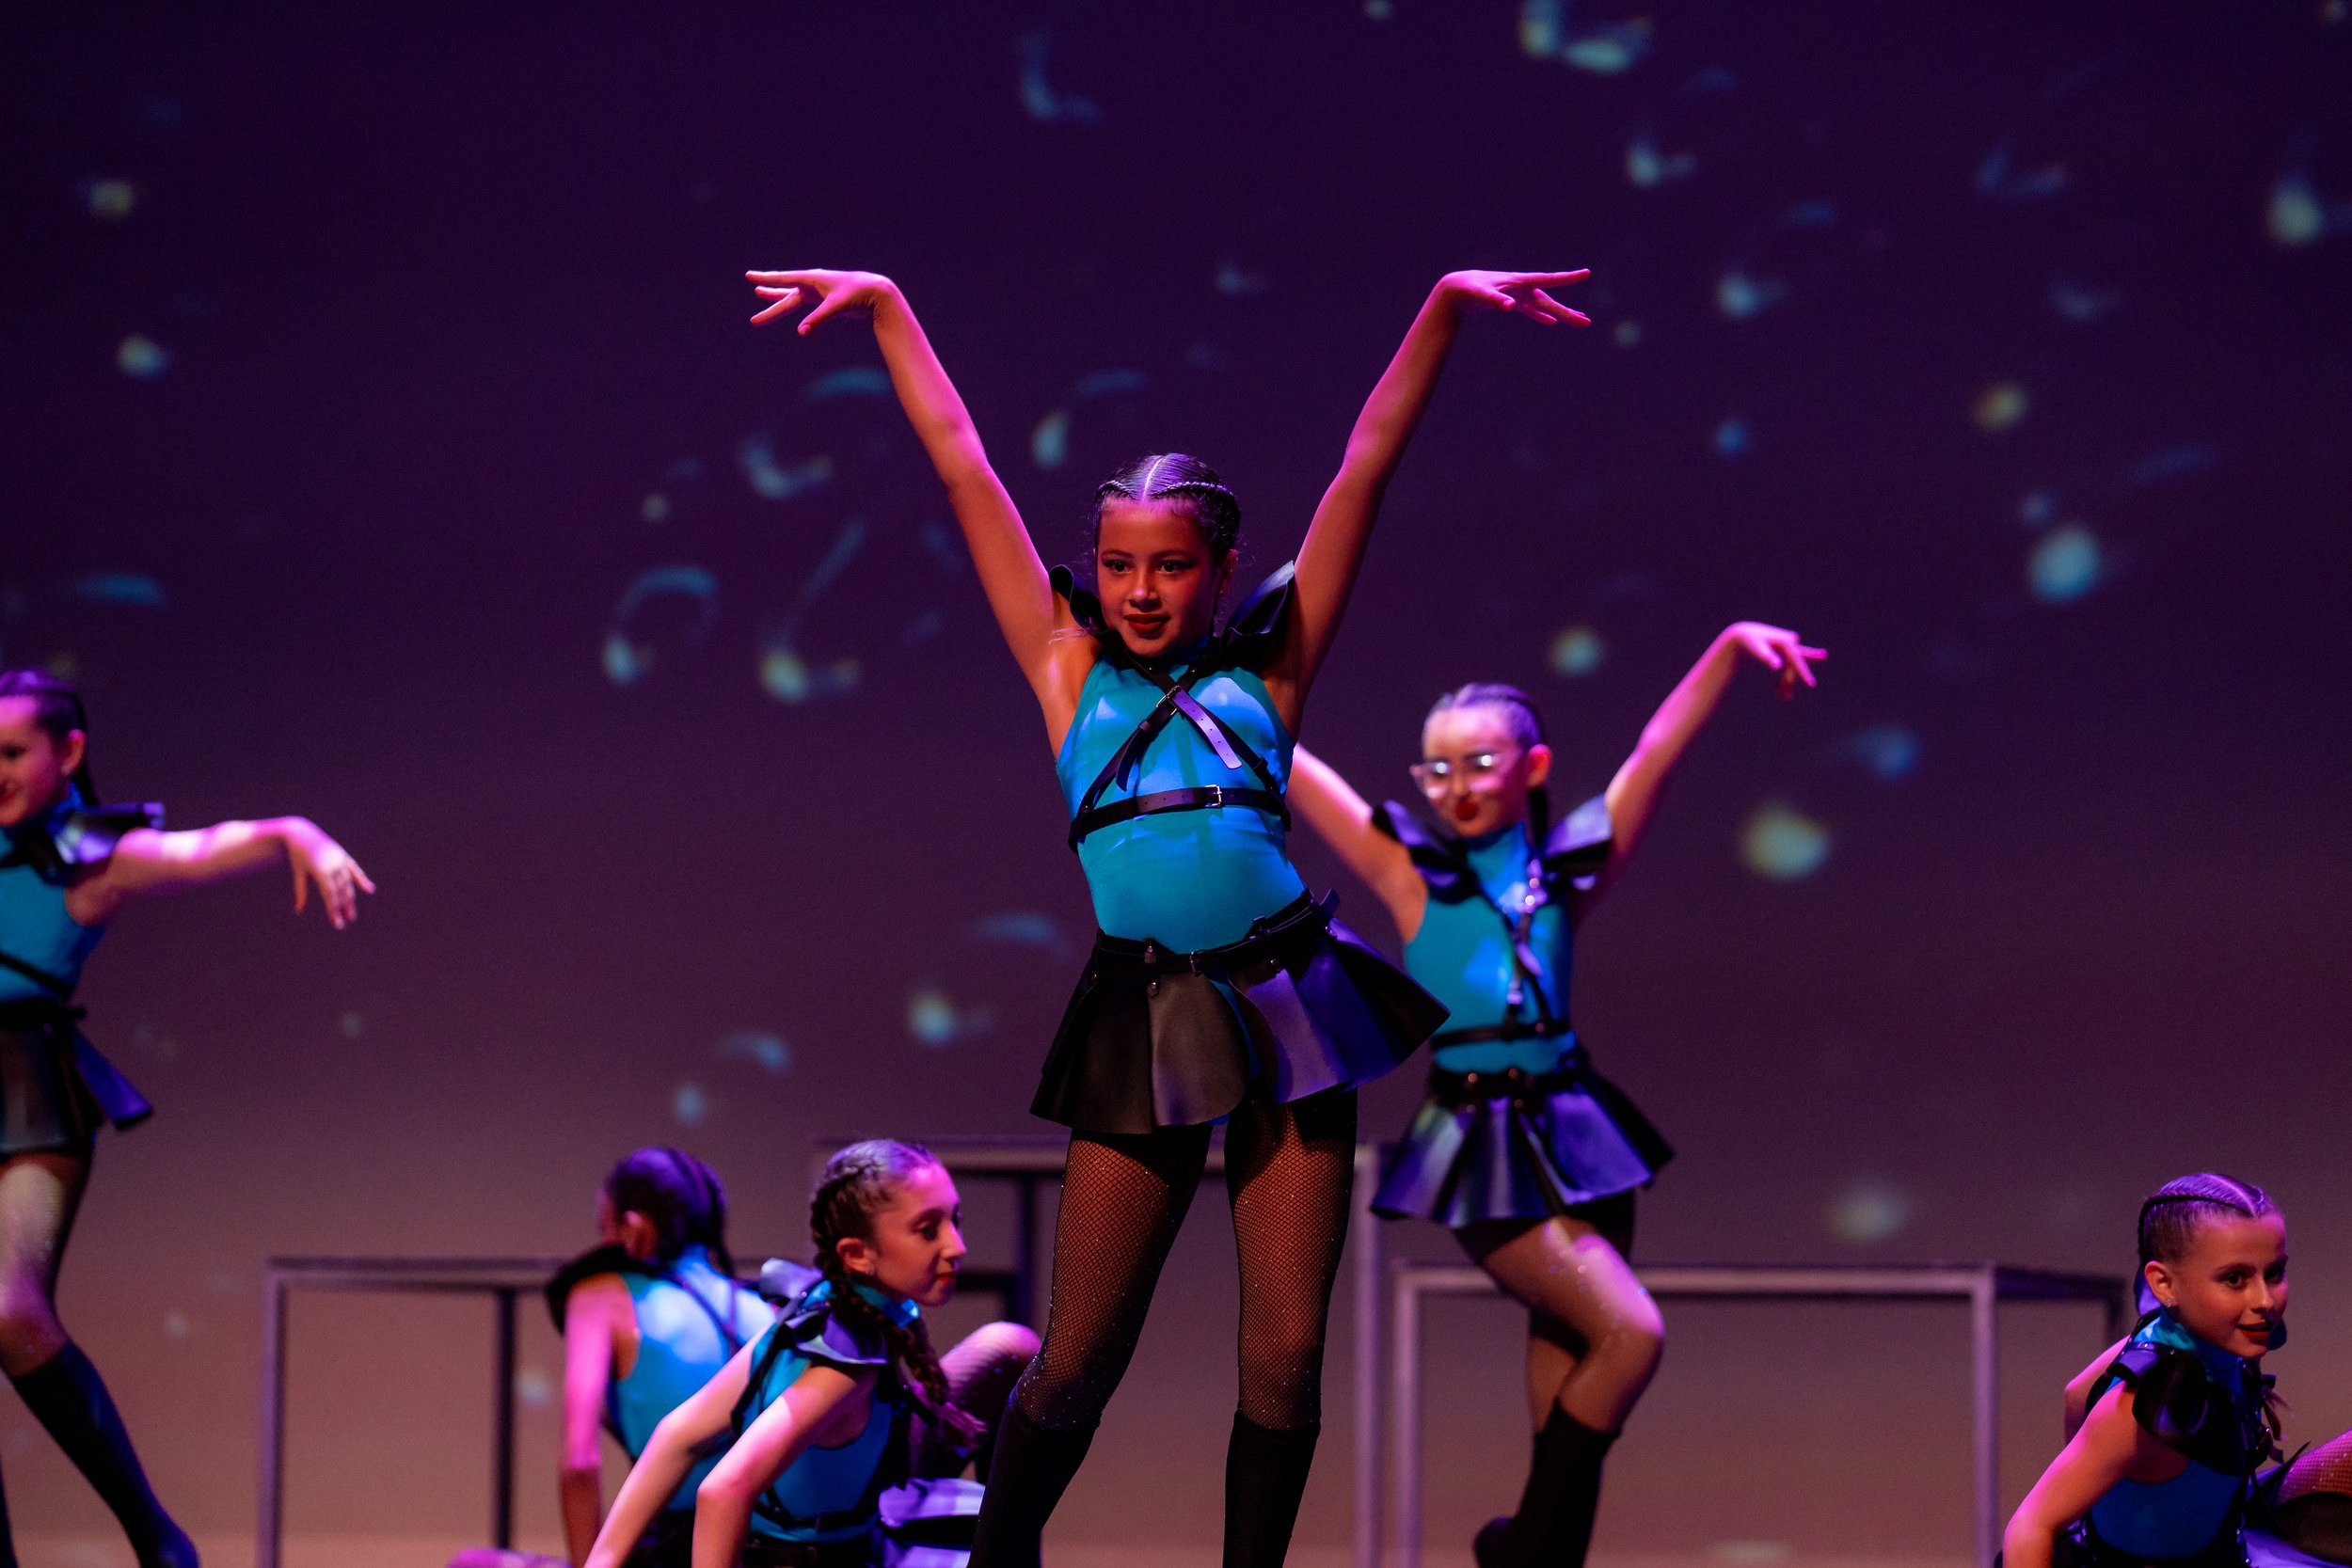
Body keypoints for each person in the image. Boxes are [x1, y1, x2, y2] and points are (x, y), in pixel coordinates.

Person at [741, 261, 1591, 1565]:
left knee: (1285, 1354)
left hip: (1293, 1006)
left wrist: (1440, 307)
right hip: (1145, 1012)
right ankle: (997, 1562)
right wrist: (889, 308)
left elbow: (1364, 467)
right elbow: (965, 464)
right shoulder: (1066, 666)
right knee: (1081, 1350)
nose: (1141, 590)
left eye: (1173, 566)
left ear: (1222, 569)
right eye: (1119, 564)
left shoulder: (1270, 670)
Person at [1281, 624, 1823, 1567]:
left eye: (1478, 762)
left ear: (1532, 767)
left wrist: (1731, 648)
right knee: (1630, 1333)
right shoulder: (1411, 875)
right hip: (1476, 1143)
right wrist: (1203, 688)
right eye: (1436, 768)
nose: (1454, 785)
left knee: (1570, 1385)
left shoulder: (1566, 872)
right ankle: (1522, 1546)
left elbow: (1654, 752)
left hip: (1576, 1132)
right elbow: (1293, 763)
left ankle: (1541, 1551)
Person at [0, 666, 372, 1568]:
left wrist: (297, 834)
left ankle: (159, 1539)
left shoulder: (96, 857)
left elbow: (206, 848)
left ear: (69, 753)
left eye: (11, 752)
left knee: (9, 1312)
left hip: (27, 1097)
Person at [585, 1140, 1032, 1568]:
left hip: (855, 1532)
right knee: (1012, 1348)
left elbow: (677, 1434)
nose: (957, 1246)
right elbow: (722, 1489)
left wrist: (600, 1562)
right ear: (857, 1254)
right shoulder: (845, 1369)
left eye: (956, 1220)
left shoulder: (815, 1310)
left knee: (1012, 1348)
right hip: (816, 1558)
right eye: (928, 1230)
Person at [2006, 1173, 2288, 1567]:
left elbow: (2077, 1391)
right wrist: (2097, 1469)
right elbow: (2031, 1525)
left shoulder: (2208, 1338)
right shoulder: (2136, 1409)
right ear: (2163, 1284)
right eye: (2234, 1279)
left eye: (2274, 1273)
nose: (2265, 1300)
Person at [542, 1148, 785, 1568]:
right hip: (764, 1546)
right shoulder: (764, 1308)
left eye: (605, 1228)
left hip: (673, 1550)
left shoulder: (600, 1297)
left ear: (634, 1228)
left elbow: (579, 1461)